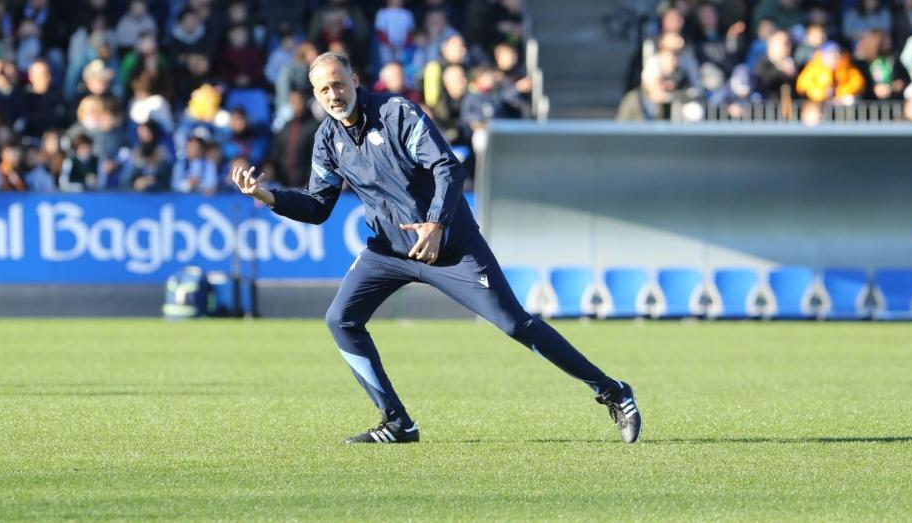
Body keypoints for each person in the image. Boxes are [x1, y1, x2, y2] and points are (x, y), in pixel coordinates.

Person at [230, 53, 642, 444]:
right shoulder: (327, 139)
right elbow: (319, 206)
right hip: (389, 251)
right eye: (323, 90)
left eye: (338, 84)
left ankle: (612, 391)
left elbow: (448, 167)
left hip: (450, 246)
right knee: (340, 319)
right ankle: (397, 423)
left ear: (355, 80)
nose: (333, 95)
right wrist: (270, 197)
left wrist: (436, 224)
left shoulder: (396, 113)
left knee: (514, 324)